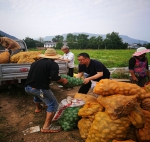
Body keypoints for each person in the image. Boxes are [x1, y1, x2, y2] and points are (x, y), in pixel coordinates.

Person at [25, 48, 68, 133]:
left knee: (38, 95)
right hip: (39, 88)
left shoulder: (35, 63)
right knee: (53, 104)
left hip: (28, 87)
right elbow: (55, 78)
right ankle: (46, 127)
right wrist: (63, 80)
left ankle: (38, 108)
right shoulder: (53, 64)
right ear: (54, 57)